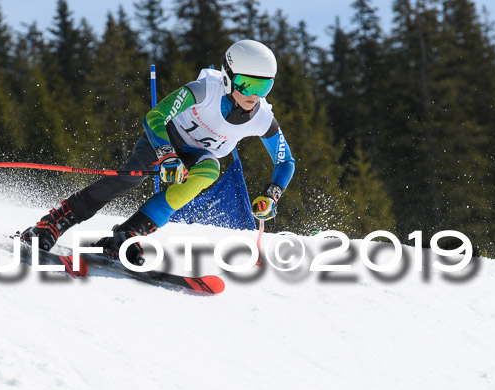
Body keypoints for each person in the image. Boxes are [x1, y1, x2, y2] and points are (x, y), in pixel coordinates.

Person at [21, 39, 296, 265]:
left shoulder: (262, 117)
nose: (255, 95)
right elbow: (156, 116)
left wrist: (272, 195)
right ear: (228, 77)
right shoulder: (205, 90)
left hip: (195, 154)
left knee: (210, 170)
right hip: (164, 139)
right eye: (249, 84)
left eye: (265, 86)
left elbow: (285, 161)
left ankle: (129, 234)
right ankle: (53, 222)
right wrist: (166, 154)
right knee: (131, 177)